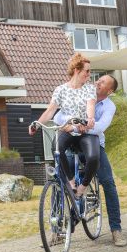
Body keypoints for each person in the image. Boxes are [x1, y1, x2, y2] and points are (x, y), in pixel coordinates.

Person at [53, 74, 127, 247]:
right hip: (72, 142)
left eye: (102, 83)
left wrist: (82, 127)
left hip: (93, 145)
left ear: (109, 91)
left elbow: (101, 126)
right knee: (59, 179)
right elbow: (58, 116)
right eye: (98, 80)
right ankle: (57, 231)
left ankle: (116, 230)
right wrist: (71, 125)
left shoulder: (109, 106)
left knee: (108, 183)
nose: (97, 83)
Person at [34, 53, 99, 201]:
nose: (89, 74)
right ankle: (71, 182)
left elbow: (90, 105)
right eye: (87, 71)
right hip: (67, 130)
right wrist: (36, 125)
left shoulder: (89, 89)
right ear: (77, 70)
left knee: (94, 157)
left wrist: (89, 119)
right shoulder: (60, 90)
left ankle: (83, 186)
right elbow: (50, 110)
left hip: (84, 131)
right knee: (56, 148)